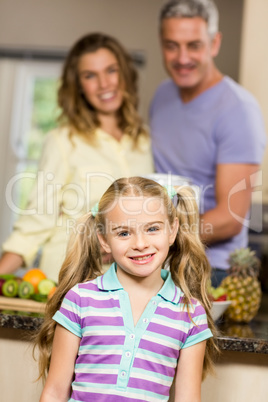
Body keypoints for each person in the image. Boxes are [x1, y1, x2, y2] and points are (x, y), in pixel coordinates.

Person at [34, 176, 217, 401]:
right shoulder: (81, 299)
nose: (140, 244)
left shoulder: (190, 313)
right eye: (123, 233)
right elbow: (54, 392)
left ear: (172, 231)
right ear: (103, 240)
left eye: (152, 229)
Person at [0, 33, 154, 282]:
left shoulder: (143, 140)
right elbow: (34, 223)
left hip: (129, 283)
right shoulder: (62, 141)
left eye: (111, 70)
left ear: (124, 74)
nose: (104, 84)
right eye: (90, 75)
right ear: (79, 85)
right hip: (72, 280)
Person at [150, 0, 266, 286]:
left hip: (208, 270)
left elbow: (229, 218)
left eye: (194, 45)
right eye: (172, 45)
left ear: (214, 44)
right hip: (157, 262)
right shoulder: (161, 96)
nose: (182, 57)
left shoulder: (238, 110)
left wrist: (154, 235)